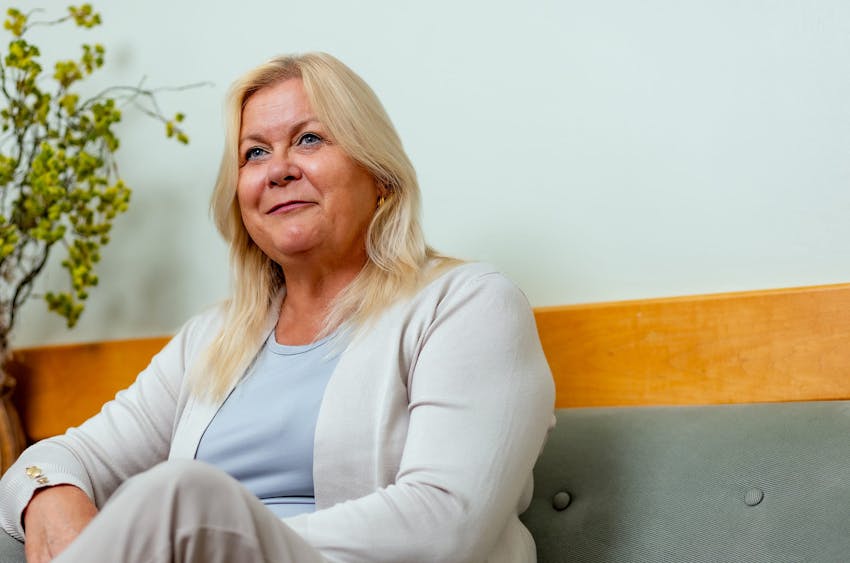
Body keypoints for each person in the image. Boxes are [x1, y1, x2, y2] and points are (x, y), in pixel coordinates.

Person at [0, 52, 555, 563]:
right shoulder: (212, 339)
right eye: (255, 152)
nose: (278, 169)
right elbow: (63, 457)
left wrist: (207, 534)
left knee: (179, 494)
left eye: (310, 139)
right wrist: (49, 492)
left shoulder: (467, 304)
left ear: (380, 177)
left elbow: (447, 522)